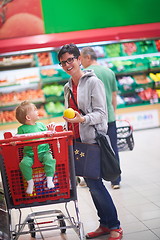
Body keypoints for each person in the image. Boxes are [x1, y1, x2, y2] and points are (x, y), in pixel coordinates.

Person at [58, 43, 123, 240]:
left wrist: (82, 119)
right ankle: (104, 224)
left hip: (93, 140)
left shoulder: (94, 82)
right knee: (92, 186)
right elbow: (72, 114)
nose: (68, 64)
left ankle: (114, 226)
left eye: (71, 59)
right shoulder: (67, 87)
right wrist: (67, 126)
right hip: (77, 142)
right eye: (63, 62)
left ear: (79, 59)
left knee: (96, 185)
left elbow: (101, 115)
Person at [80, 46, 121, 189]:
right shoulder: (109, 72)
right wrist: (112, 112)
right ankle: (115, 180)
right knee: (112, 148)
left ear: (88, 58)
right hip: (109, 117)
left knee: (92, 149)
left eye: (81, 58)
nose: (80, 62)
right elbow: (114, 96)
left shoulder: (86, 75)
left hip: (94, 120)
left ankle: (93, 178)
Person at [15, 101, 56, 194]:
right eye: (34, 110)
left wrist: (50, 131)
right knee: (23, 164)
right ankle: (30, 182)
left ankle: (50, 179)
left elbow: (49, 136)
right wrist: (14, 140)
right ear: (28, 117)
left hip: (45, 152)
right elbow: (17, 138)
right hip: (29, 155)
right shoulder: (22, 129)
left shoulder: (41, 125)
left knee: (50, 160)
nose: (37, 111)